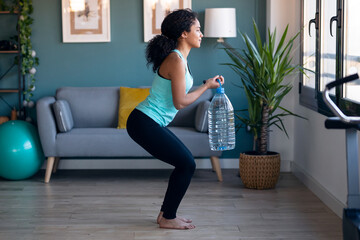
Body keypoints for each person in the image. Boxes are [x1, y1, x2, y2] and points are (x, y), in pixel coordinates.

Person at [126, 8, 224, 230]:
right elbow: (180, 102)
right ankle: (168, 217)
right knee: (187, 163)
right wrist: (206, 86)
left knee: (185, 163)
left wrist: (208, 84)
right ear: (183, 33)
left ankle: (165, 216)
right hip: (144, 121)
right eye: (197, 29)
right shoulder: (176, 60)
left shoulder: (179, 59)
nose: (201, 34)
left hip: (148, 121)